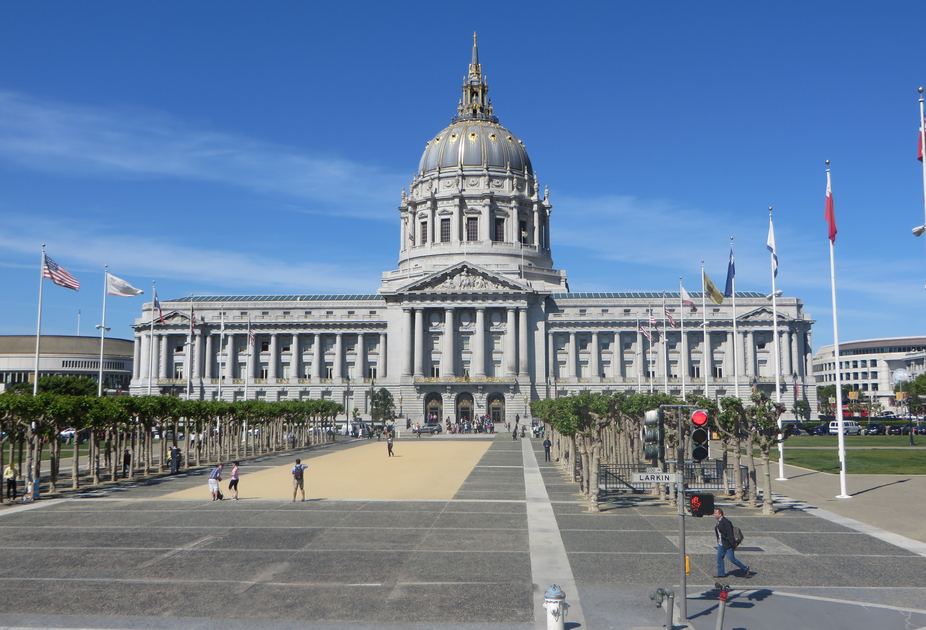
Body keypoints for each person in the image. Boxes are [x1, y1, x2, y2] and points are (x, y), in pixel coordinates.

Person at [714, 508, 751, 578]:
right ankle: (721, 574)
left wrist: (733, 545)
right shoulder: (719, 521)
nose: (714, 515)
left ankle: (745, 568)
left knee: (732, 559)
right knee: (719, 558)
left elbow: (730, 534)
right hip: (721, 543)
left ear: (720, 514)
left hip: (728, 544)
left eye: (715, 513)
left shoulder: (726, 522)